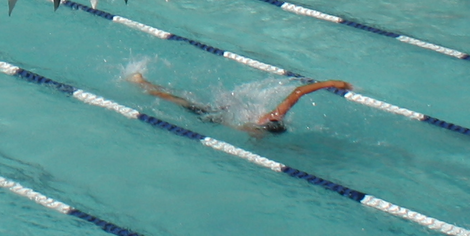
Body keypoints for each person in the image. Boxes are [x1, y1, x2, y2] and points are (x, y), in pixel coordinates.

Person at [127, 69, 350, 135]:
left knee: (183, 98)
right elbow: (298, 93)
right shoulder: (265, 121)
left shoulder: (265, 121)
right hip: (212, 118)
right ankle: (144, 86)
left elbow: (298, 92)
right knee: (180, 101)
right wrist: (328, 82)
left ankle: (146, 84)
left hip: (218, 115)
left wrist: (329, 83)